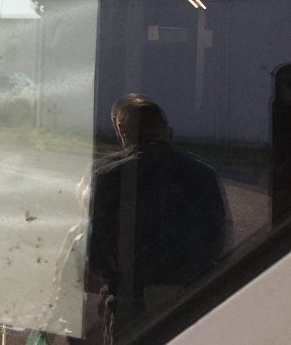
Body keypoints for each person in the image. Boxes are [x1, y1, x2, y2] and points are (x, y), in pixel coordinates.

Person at [85, 94, 230, 334]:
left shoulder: (109, 177)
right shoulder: (203, 173)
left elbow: (97, 252)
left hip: (130, 305)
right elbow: (218, 240)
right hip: (191, 302)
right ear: (163, 129)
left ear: (122, 130)